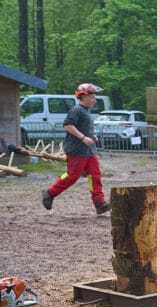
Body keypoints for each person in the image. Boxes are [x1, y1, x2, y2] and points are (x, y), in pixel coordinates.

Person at [42, 83, 110, 215]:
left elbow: (81, 128)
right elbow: (68, 125)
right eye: (91, 97)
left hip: (89, 151)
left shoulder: (86, 111)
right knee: (73, 176)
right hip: (77, 150)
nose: (94, 100)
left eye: (95, 98)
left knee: (95, 175)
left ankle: (99, 203)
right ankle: (50, 193)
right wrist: (83, 137)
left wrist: (92, 137)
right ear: (82, 97)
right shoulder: (76, 110)